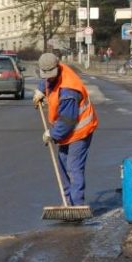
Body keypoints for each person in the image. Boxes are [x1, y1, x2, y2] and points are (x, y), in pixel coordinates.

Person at [32, 53, 99, 207]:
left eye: (51, 74)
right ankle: (68, 202)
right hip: (66, 131)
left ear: (58, 66)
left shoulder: (69, 90)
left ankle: (77, 205)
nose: (48, 77)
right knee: (62, 166)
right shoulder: (54, 72)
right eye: (45, 75)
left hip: (79, 130)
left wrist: (52, 134)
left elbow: (68, 121)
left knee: (73, 168)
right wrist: (40, 90)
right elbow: (47, 80)